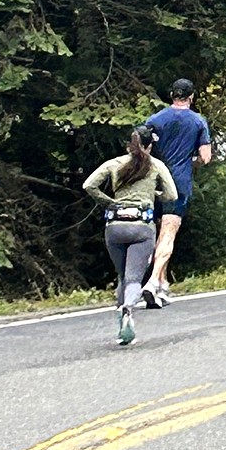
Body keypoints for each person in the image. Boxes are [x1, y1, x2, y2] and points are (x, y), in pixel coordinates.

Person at [83, 125, 177, 346]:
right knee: (134, 277)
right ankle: (128, 310)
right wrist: (154, 195)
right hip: (141, 227)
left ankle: (121, 326)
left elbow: (89, 185)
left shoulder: (114, 164)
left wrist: (109, 202)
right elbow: (172, 195)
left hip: (114, 226)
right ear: (150, 145)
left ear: (130, 143)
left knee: (122, 276)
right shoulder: (156, 166)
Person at [140, 77, 211, 308]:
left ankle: (161, 283)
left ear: (171, 95)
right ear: (191, 97)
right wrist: (193, 162)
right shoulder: (198, 121)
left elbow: (141, 147)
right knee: (169, 233)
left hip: (154, 182)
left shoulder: (155, 119)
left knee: (156, 232)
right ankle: (152, 282)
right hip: (179, 183)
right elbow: (205, 157)